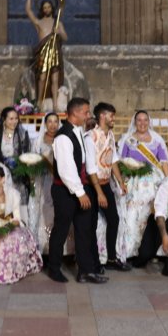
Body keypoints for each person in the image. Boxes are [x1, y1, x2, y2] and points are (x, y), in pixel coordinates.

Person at [48, 97, 107, 284]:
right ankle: (54, 268)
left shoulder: (80, 132)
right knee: (61, 230)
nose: (88, 115)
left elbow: (85, 162)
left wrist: (89, 190)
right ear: (76, 113)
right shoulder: (63, 136)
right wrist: (80, 192)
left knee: (85, 230)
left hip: (81, 188)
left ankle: (86, 270)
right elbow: (66, 170)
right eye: (86, 112)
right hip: (65, 191)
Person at [0, 165, 43, 284]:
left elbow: (17, 219)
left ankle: (9, 272)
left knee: (10, 242)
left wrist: (5, 227)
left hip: (9, 227)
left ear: (3, 179)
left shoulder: (13, 194)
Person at [117, 110, 168, 260]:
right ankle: (130, 250)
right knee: (132, 215)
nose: (142, 123)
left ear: (149, 121)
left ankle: (150, 249)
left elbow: (164, 162)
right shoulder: (127, 140)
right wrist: (122, 182)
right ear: (135, 122)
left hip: (153, 183)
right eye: (139, 120)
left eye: (145, 120)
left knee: (150, 214)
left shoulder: (157, 139)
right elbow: (120, 162)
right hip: (133, 184)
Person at [86, 102, 130, 270]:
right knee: (90, 224)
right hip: (92, 187)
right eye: (112, 115)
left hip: (105, 185)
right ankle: (92, 262)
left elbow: (113, 160)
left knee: (114, 219)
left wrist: (120, 182)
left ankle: (111, 259)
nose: (114, 119)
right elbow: (90, 167)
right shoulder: (91, 137)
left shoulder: (110, 135)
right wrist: (99, 193)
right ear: (103, 116)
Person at [27, 112, 70, 253]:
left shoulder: (63, 140)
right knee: (42, 210)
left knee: (56, 211)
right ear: (45, 124)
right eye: (49, 122)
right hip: (41, 181)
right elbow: (31, 160)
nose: (52, 125)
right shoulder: (38, 141)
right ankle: (41, 248)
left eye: (55, 121)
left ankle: (60, 249)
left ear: (59, 123)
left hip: (59, 181)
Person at [26, 0, 68, 108]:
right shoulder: (39, 23)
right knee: (42, 78)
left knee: (55, 79)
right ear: (42, 9)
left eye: (49, 7)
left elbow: (65, 37)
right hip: (43, 52)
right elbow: (28, 11)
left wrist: (59, 32)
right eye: (45, 7)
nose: (47, 9)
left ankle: (55, 104)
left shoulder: (57, 22)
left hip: (54, 52)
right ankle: (39, 102)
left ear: (52, 8)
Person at [0, 106, 32, 222]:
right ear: (4, 120)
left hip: (18, 177)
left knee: (19, 209)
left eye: (16, 118)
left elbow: (27, 155)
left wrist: (19, 164)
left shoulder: (22, 135)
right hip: (2, 177)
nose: (14, 122)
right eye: (11, 119)